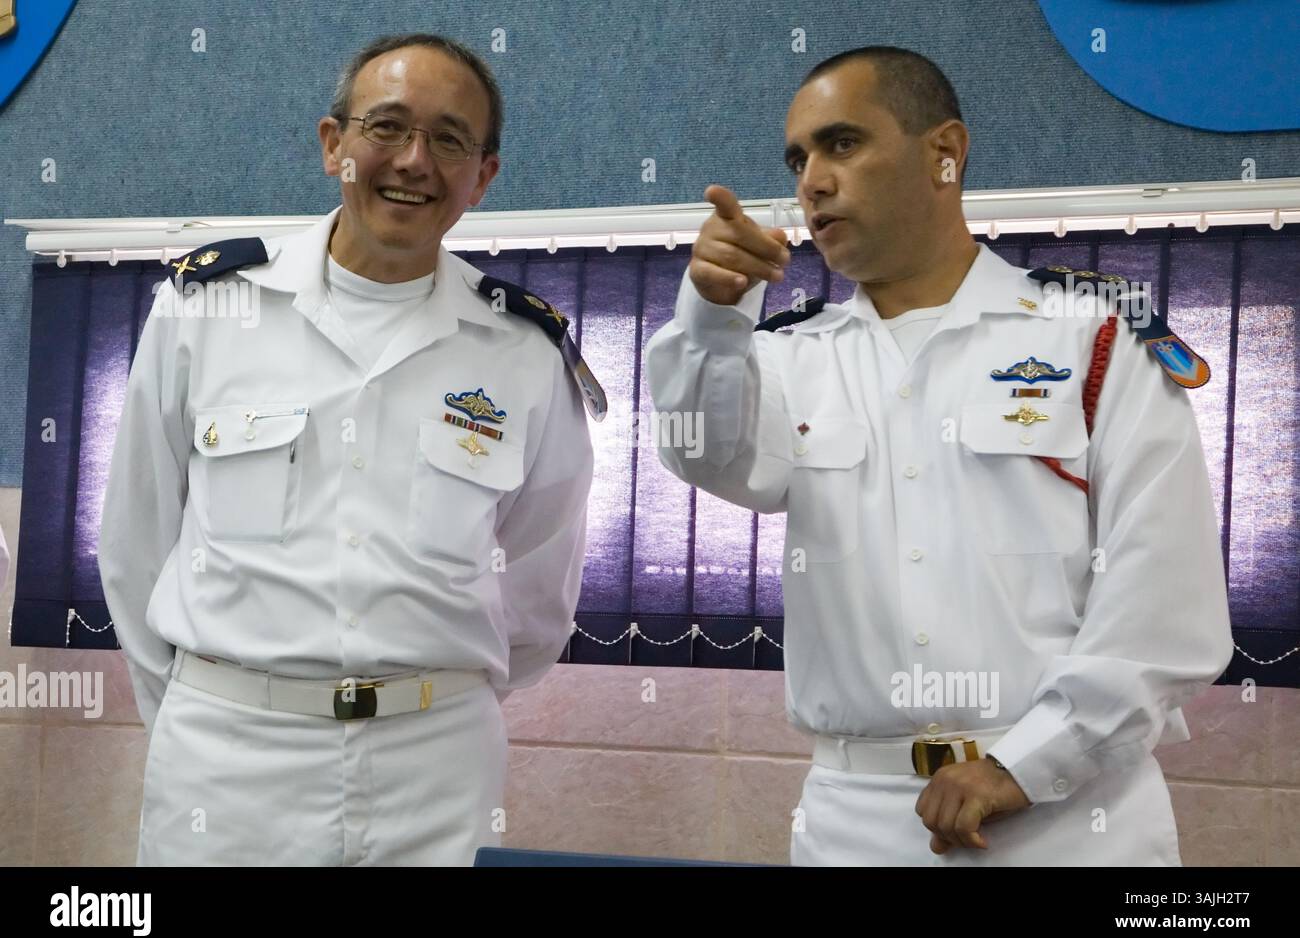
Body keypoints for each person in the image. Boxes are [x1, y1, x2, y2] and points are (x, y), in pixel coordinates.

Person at [646, 45, 1231, 865]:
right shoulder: (788, 359)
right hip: (857, 818)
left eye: (842, 144)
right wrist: (711, 319)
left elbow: (1164, 605)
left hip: (1071, 820)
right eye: (798, 157)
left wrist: (1023, 764)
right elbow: (701, 455)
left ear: (944, 153)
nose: (812, 179)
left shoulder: (1093, 337)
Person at [99, 33, 600, 866]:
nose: (413, 161)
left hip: (433, 772)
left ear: (484, 176)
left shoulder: (524, 350)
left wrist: (428, 695)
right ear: (334, 144)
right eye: (386, 127)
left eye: (449, 140)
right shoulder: (206, 309)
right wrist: (215, 705)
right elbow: (135, 543)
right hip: (227, 768)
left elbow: (541, 587)